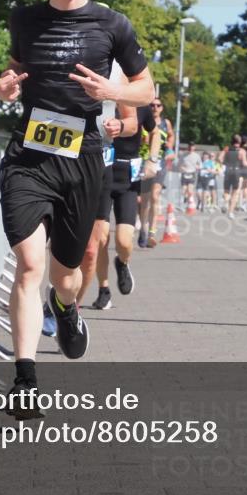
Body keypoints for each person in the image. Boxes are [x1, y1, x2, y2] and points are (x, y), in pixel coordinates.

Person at [0, 0, 154, 419]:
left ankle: (66, 309)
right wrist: (6, 89)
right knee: (28, 265)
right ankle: (24, 378)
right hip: (29, 156)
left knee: (68, 275)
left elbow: (145, 91)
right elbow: (14, 72)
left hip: (82, 160)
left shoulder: (113, 25)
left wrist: (112, 94)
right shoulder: (23, 19)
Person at [77, 64, 156, 310]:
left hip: (127, 178)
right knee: (99, 239)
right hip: (101, 170)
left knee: (123, 240)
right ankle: (104, 288)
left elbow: (154, 132)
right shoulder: (98, 98)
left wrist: (152, 159)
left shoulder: (140, 107)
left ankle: (122, 262)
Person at [138, 99, 173, 247]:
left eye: (158, 105)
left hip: (161, 163)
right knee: (143, 200)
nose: (155, 108)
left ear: (162, 108)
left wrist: (170, 148)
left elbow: (170, 136)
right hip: (145, 163)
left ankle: (152, 232)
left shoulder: (166, 123)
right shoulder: (143, 120)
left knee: (155, 195)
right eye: (152, 105)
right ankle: (143, 229)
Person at [218, 134, 247, 219]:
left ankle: (226, 202)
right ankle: (230, 212)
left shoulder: (226, 149)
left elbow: (219, 159)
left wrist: (224, 163)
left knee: (226, 191)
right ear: (240, 142)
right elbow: (245, 163)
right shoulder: (242, 151)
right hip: (236, 172)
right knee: (235, 193)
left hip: (228, 171)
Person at [178, 142, 202, 210]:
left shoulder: (197, 156)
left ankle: (189, 204)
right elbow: (179, 165)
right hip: (185, 173)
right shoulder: (183, 155)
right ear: (188, 147)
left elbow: (200, 165)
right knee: (183, 190)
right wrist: (182, 168)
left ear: (194, 148)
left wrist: (198, 167)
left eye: (192, 147)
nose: (191, 148)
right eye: (190, 147)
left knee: (190, 190)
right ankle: (185, 199)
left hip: (192, 173)